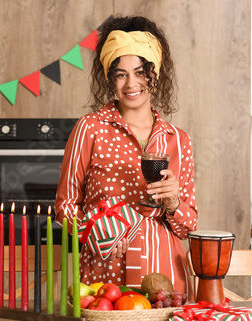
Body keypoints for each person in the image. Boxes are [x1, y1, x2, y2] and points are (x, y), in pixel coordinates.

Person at [55, 15, 198, 298]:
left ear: (155, 75)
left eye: (140, 72)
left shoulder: (177, 139)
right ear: (110, 79)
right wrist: (93, 232)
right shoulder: (89, 129)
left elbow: (188, 225)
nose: (131, 83)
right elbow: (65, 206)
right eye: (121, 74)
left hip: (166, 274)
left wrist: (174, 201)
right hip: (105, 274)